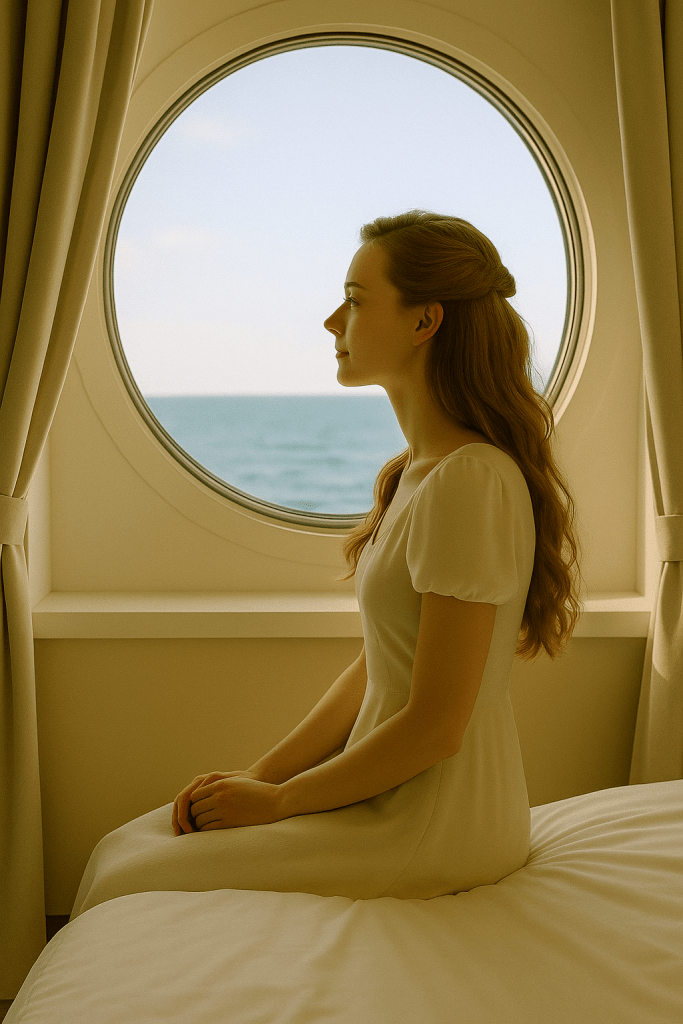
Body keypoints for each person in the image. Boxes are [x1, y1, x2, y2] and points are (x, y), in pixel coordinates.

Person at [69, 210, 583, 919]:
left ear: (423, 321)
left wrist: (280, 802)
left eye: (355, 298)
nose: (330, 320)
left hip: (440, 823)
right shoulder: (416, 474)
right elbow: (379, 666)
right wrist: (260, 776)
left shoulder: (472, 480)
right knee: (122, 850)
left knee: (130, 879)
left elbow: (436, 726)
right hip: (383, 794)